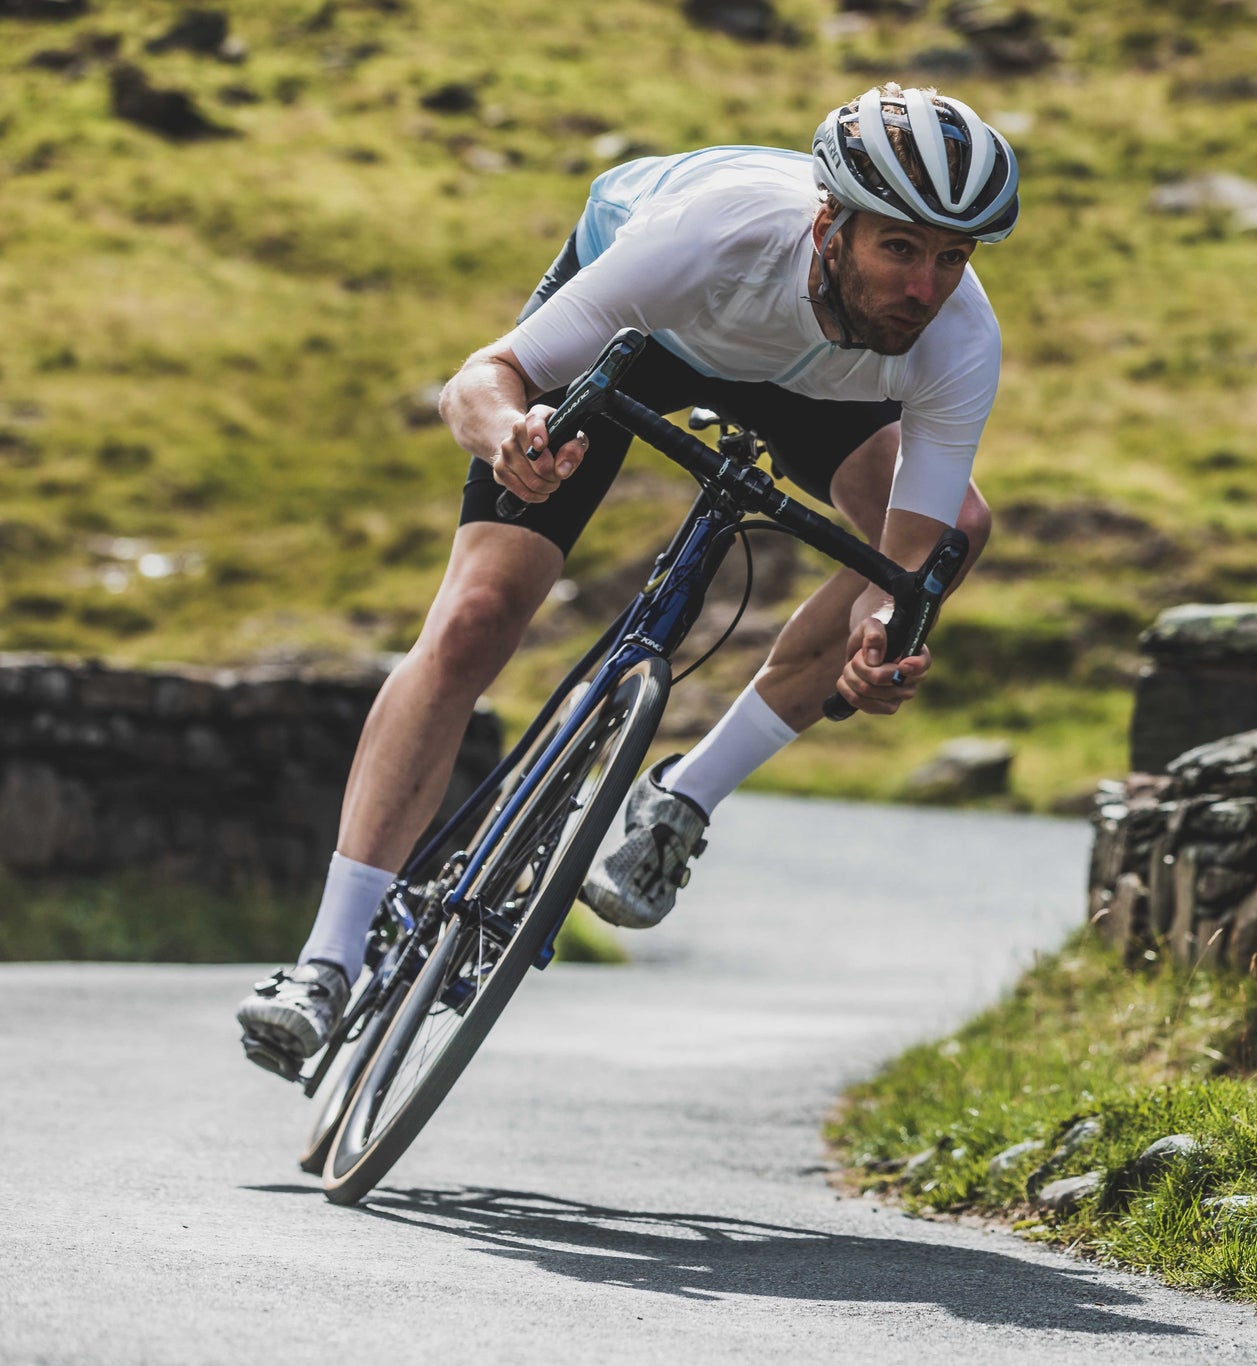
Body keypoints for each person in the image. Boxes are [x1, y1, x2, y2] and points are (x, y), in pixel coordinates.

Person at [235, 83, 1018, 1075]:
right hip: (650, 335)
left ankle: (683, 800)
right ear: (831, 227)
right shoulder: (710, 234)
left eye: (952, 257)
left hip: (823, 385)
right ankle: (326, 961)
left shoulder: (956, 338)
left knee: (956, 535)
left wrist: (878, 639)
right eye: (899, 248)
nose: (925, 286)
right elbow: (480, 379)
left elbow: (900, 567)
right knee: (478, 612)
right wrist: (509, 437)